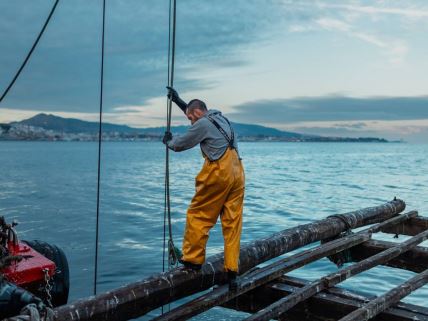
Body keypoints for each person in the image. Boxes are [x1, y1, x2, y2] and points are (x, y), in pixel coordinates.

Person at [163, 87, 245, 290]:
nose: (191, 122)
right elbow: (194, 111)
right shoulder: (222, 120)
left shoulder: (203, 123)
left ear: (197, 114)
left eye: (191, 118)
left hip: (220, 172)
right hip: (238, 172)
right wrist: (179, 101)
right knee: (232, 222)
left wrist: (169, 141)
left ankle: (193, 260)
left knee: (199, 215)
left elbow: (180, 144)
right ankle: (232, 270)